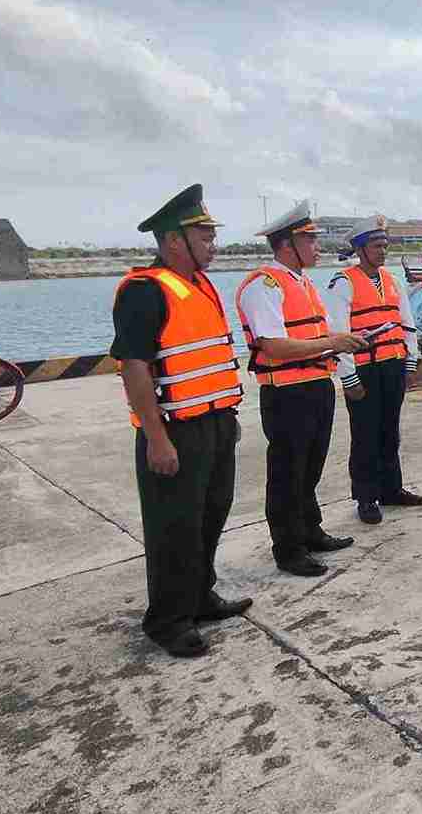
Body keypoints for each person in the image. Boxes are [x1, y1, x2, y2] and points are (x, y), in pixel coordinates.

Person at [112, 184, 246, 658]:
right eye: (204, 236)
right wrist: (155, 439)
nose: (213, 244)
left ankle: (200, 596)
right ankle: (168, 620)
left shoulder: (201, 285)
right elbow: (134, 366)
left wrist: (225, 419)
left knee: (211, 513)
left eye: (211, 235)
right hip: (175, 430)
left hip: (214, 422)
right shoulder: (145, 291)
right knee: (174, 527)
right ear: (173, 241)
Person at [234, 201, 367, 577]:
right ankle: (288, 548)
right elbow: (273, 346)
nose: (317, 246)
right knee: (287, 473)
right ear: (287, 244)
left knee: (310, 468)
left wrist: (337, 341)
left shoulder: (303, 283)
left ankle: (310, 530)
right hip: (287, 394)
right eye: (310, 240)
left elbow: (312, 333)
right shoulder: (264, 286)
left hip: (315, 387)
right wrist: (333, 344)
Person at [324, 215, 422, 522]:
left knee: (389, 431)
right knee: (365, 434)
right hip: (364, 370)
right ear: (359, 248)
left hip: (392, 366)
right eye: (375, 245)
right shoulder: (343, 283)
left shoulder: (393, 281)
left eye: (384, 244)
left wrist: (410, 362)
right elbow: (338, 335)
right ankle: (366, 497)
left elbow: (407, 326)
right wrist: (349, 377)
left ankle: (392, 489)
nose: (382, 251)